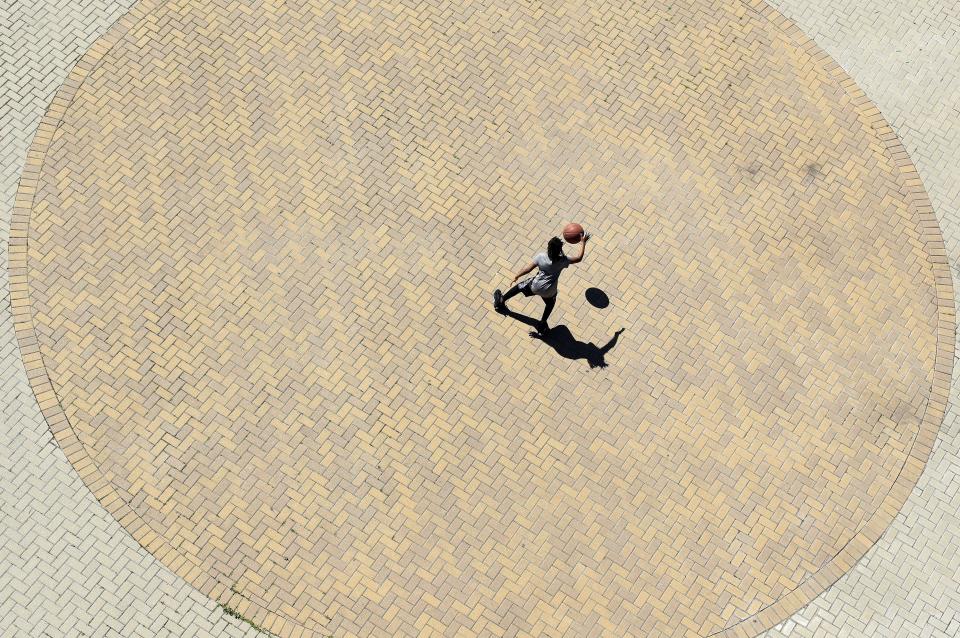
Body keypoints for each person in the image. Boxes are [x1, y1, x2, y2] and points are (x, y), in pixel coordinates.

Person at [494, 231, 588, 333]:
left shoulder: (541, 256)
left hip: (535, 286)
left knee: (519, 287)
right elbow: (579, 258)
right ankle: (542, 324)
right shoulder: (563, 260)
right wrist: (583, 242)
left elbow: (528, 269)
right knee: (550, 304)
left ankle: (501, 301)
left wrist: (517, 276)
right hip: (550, 291)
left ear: (549, 247)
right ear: (560, 249)